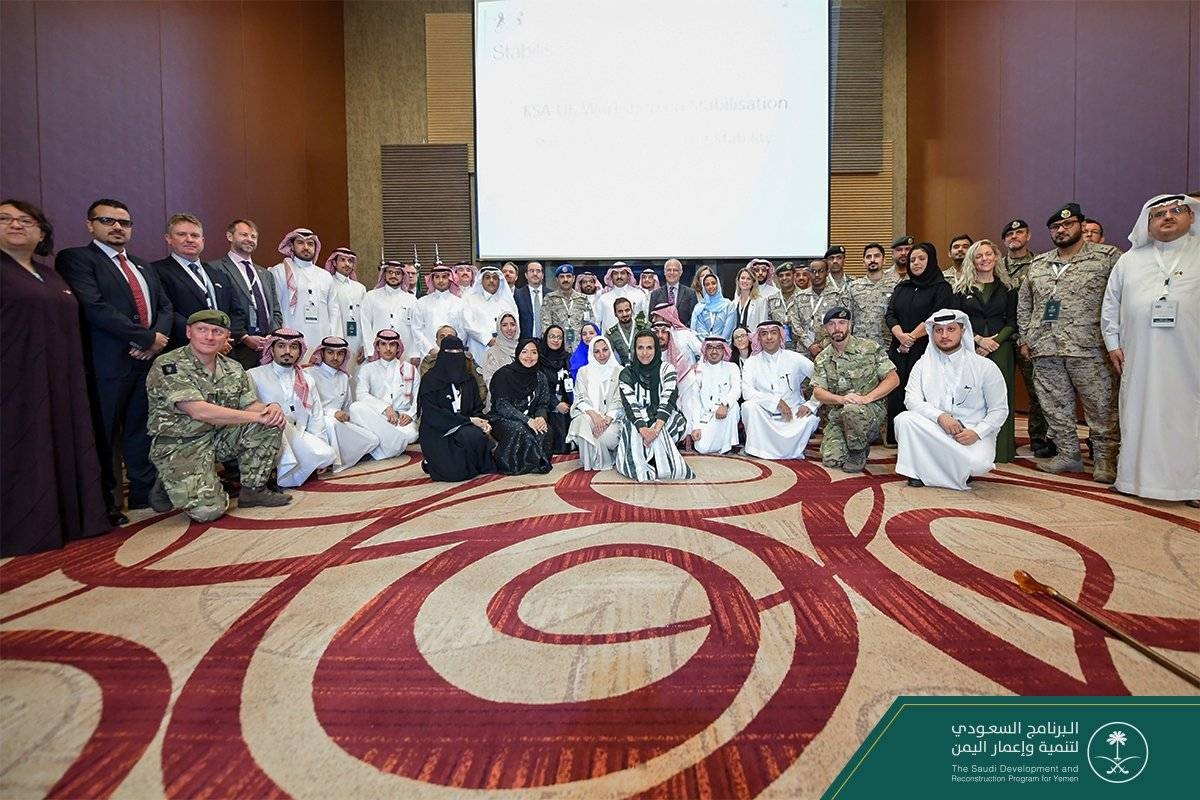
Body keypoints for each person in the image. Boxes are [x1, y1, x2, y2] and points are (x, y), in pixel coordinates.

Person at [1, 199, 110, 554]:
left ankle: (71, 520)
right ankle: (24, 528)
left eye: (25, 220)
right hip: (13, 380)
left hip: (61, 377)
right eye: (5, 219)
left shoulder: (49, 275)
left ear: (41, 231)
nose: (16, 225)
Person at [56, 198, 173, 525]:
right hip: (107, 363)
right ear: (90, 225)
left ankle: (142, 494)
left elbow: (164, 306)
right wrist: (143, 337)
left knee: (141, 429)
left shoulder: (142, 265)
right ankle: (106, 504)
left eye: (124, 222)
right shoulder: (77, 259)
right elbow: (93, 307)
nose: (117, 227)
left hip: (146, 361)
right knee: (104, 434)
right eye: (107, 221)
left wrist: (156, 340)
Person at [145, 309, 290, 521]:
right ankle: (169, 477)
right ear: (188, 332)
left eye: (217, 331)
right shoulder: (169, 365)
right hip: (180, 445)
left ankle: (253, 491)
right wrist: (257, 417)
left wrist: (269, 408)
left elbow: (248, 404)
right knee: (209, 511)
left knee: (270, 423)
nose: (210, 336)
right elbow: (198, 410)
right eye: (202, 330)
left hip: (216, 438)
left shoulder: (232, 367)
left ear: (226, 337)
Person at [1102, 194, 1200, 506]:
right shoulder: (1129, 260)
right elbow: (1111, 305)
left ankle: (1191, 485)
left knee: (1188, 415)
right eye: (1158, 214)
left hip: (1190, 356)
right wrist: (1112, 343)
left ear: (1192, 218)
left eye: (1176, 211)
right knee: (1137, 411)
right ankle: (1132, 478)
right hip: (1139, 355)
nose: (1167, 217)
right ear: (1148, 223)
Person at [1017, 203, 1121, 480]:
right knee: (1055, 405)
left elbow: (1118, 300)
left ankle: (1105, 461)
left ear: (1082, 226)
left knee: (1101, 406)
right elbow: (1025, 303)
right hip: (1046, 347)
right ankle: (1067, 455)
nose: (1061, 230)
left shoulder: (1107, 258)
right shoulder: (1039, 263)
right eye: (1055, 227)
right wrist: (1025, 338)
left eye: (1068, 224)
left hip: (1090, 347)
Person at [895, 309, 1009, 489]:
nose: (944, 335)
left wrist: (977, 432)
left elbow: (999, 410)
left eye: (951, 329)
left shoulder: (985, 366)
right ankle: (919, 472)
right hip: (936, 428)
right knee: (905, 420)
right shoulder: (922, 364)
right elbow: (911, 400)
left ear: (963, 331)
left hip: (970, 432)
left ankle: (945, 465)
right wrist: (940, 416)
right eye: (938, 330)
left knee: (979, 464)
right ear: (932, 333)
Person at [951, 240, 1018, 462]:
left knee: (1000, 398)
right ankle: (972, 445)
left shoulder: (1007, 288)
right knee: (973, 397)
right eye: (979, 256)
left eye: (988, 254)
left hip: (1001, 349)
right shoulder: (962, 289)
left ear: (996, 257)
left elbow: (1012, 321)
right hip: (970, 348)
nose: (984, 259)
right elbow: (957, 322)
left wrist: (994, 342)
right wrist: (979, 340)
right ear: (972, 260)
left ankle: (1002, 451)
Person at [811, 307, 900, 472]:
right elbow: (818, 392)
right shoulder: (823, 358)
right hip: (839, 414)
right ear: (825, 329)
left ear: (850, 325)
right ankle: (853, 440)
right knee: (832, 460)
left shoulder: (870, 348)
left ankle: (858, 451)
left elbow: (893, 379)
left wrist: (867, 398)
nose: (837, 328)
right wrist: (841, 399)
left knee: (852, 410)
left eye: (842, 323)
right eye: (831, 324)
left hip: (869, 410)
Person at [247, 328, 337, 487]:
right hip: (270, 436)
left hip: (299, 432)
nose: (287, 351)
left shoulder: (307, 379)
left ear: (300, 351)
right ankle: (282, 471)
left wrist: (320, 441)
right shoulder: (254, 375)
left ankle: (289, 469)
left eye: (294, 347)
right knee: (279, 423)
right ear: (272, 349)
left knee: (328, 454)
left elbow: (316, 415)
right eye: (281, 346)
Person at [884, 242, 953, 445]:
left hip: (925, 349)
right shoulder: (902, 287)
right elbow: (890, 314)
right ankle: (896, 437)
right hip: (899, 348)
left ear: (931, 260)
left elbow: (937, 316)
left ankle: (920, 438)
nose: (916, 263)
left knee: (921, 393)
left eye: (921, 258)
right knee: (897, 390)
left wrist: (912, 337)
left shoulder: (942, 288)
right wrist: (901, 336)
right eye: (913, 259)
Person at [152, 213, 243, 352]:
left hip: (225, 351)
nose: (189, 240)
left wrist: (225, 337)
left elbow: (237, 311)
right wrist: (205, 338)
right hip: (183, 352)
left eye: (194, 235)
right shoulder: (157, 271)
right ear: (168, 239)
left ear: (203, 240)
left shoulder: (218, 274)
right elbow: (167, 311)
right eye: (182, 234)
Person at [1000, 217, 1052, 457]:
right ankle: (1001, 437)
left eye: (1019, 233)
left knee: (1037, 390)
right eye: (1010, 235)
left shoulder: (1040, 265)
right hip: (1001, 338)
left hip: (1028, 338)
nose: (1014, 237)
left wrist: (1027, 338)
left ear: (1028, 236)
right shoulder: (997, 265)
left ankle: (1039, 438)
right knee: (999, 390)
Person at [615, 331, 695, 481]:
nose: (645, 353)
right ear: (634, 349)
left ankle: (650, 457)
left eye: (649, 348)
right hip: (638, 419)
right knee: (632, 428)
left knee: (662, 430)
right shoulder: (626, 373)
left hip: (665, 418)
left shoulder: (667, 369)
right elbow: (630, 405)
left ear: (656, 349)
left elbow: (668, 400)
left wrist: (655, 430)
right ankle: (653, 460)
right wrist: (643, 429)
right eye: (640, 348)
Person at [418, 335, 496, 481]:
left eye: (458, 353)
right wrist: (468, 420)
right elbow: (432, 415)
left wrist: (483, 422)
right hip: (438, 431)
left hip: (464, 429)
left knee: (475, 436)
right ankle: (432, 462)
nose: (454, 359)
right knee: (455, 474)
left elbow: (477, 409)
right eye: (450, 353)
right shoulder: (430, 381)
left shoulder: (468, 380)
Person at [208, 219, 282, 370]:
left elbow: (275, 310)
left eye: (253, 237)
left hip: (267, 350)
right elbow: (219, 310)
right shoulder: (215, 268)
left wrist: (271, 337)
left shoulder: (265, 274)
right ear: (230, 236)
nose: (249, 239)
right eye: (244, 235)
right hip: (236, 349)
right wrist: (244, 337)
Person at [740, 321, 819, 459]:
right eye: (764, 334)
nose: (769, 337)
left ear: (781, 336)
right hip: (765, 416)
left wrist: (811, 404)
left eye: (773, 333)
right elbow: (747, 392)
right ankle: (757, 450)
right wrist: (775, 401)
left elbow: (821, 378)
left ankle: (789, 449)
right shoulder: (751, 362)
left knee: (809, 419)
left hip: (792, 414)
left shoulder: (795, 358)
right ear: (759, 338)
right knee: (748, 407)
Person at [305, 336, 379, 472]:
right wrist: (333, 413)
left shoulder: (344, 377)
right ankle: (335, 463)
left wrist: (346, 417)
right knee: (330, 422)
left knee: (373, 440)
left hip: (340, 422)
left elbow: (348, 406)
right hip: (318, 423)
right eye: (330, 352)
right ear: (322, 353)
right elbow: (309, 408)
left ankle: (343, 456)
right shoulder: (309, 374)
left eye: (340, 353)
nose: (335, 357)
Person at [349, 329, 421, 460]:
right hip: (377, 417)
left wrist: (410, 415)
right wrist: (385, 408)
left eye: (392, 345)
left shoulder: (410, 369)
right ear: (377, 346)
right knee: (355, 407)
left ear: (398, 347)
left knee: (410, 435)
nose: (388, 349)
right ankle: (393, 445)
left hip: (401, 420)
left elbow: (419, 397)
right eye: (383, 344)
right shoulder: (367, 369)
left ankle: (381, 445)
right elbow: (361, 395)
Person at [489, 338, 554, 475]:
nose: (529, 357)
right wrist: (527, 420)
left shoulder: (540, 377)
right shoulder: (503, 375)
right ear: (518, 353)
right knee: (519, 429)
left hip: (529, 418)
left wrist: (541, 418)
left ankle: (535, 463)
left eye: (534, 352)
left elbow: (543, 403)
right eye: (524, 352)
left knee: (545, 429)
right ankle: (518, 465)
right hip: (501, 419)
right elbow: (502, 406)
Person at [270, 228, 340, 350]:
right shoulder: (280, 271)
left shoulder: (325, 276)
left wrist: (334, 341)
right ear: (291, 246)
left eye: (310, 243)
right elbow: (276, 308)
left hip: (322, 340)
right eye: (300, 243)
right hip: (290, 340)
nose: (306, 247)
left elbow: (334, 312)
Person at [567, 335, 625, 469]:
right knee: (581, 422)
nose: (601, 355)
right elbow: (579, 397)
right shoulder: (584, 372)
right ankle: (589, 463)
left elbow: (621, 399)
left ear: (610, 350)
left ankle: (603, 459)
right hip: (590, 416)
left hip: (613, 419)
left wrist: (606, 420)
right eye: (597, 351)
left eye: (605, 350)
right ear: (591, 353)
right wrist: (595, 416)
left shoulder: (620, 371)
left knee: (605, 439)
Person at [687, 336, 742, 455]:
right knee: (702, 447)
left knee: (735, 407)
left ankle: (727, 446)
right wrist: (695, 426)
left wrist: (725, 404)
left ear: (724, 350)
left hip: (726, 412)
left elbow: (736, 390)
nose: (714, 351)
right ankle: (719, 444)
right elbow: (694, 400)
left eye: (718, 348)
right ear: (705, 350)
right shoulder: (698, 370)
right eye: (710, 347)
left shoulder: (732, 367)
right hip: (706, 414)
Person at [789, 258, 853, 359]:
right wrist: (810, 345)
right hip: (804, 351)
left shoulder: (838, 296)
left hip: (831, 349)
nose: (817, 275)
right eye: (813, 271)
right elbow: (795, 324)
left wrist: (824, 345)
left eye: (821, 271)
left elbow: (844, 323)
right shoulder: (799, 297)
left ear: (827, 272)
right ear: (809, 273)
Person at [361, 260, 421, 365]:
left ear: (403, 276)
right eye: (390, 272)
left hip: (405, 352)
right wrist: (370, 351)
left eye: (397, 273)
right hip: (378, 350)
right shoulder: (371, 296)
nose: (393, 276)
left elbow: (415, 328)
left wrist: (415, 353)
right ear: (384, 275)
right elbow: (365, 325)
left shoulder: (411, 299)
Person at [418, 324, 488, 404]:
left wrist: (472, 404)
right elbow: (427, 389)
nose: (446, 339)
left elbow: (480, 384)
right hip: (438, 407)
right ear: (437, 342)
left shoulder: (467, 359)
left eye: (450, 336)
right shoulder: (429, 361)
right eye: (442, 337)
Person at [463, 264, 518, 364]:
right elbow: (468, 324)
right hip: (480, 347)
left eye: (495, 278)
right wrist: (488, 340)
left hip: (505, 347)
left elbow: (515, 324)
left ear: (499, 281)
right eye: (487, 277)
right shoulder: (470, 299)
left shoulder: (507, 301)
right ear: (481, 280)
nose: (491, 281)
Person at [324, 247, 367, 374]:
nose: (347, 264)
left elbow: (365, 319)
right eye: (342, 260)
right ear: (334, 262)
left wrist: (365, 345)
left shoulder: (360, 288)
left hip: (357, 343)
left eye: (350, 261)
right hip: (335, 343)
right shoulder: (327, 283)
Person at [846, 242, 898, 350]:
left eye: (877, 256)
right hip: (860, 348)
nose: (872, 260)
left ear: (884, 260)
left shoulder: (896, 286)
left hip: (887, 347)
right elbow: (848, 320)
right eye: (868, 257)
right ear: (863, 262)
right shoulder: (853, 287)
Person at [415, 263, 467, 355]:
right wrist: (430, 349)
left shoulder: (460, 303)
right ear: (432, 279)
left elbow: (462, 330)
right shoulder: (421, 302)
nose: (441, 280)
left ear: (450, 279)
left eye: (444, 277)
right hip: (428, 354)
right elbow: (417, 329)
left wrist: (454, 348)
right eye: (437, 277)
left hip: (453, 353)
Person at [538, 324, 574, 454]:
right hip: (546, 402)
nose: (556, 340)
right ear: (546, 338)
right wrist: (556, 404)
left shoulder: (567, 358)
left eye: (559, 337)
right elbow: (541, 388)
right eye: (552, 337)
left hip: (566, 401)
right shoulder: (539, 360)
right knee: (561, 447)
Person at [542, 263, 593, 350]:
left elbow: (590, 322)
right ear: (557, 279)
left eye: (568, 276)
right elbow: (545, 326)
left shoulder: (583, 299)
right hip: (558, 347)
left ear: (573, 278)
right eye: (562, 277)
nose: (565, 279)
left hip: (579, 347)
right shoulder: (550, 298)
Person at [596, 262, 649, 332]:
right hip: (610, 340)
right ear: (611, 276)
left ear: (628, 275)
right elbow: (597, 322)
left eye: (622, 273)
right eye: (615, 274)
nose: (619, 277)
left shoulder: (640, 295)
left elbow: (645, 319)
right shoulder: (603, 298)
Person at [690, 267, 737, 342]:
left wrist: (718, 345)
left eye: (713, 283)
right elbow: (699, 330)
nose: (710, 287)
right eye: (707, 284)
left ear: (718, 285)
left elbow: (728, 329)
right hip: (704, 348)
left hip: (724, 347)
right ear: (704, 287)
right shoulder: (699, 308)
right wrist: (708, 345)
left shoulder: (729, 305)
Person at [649, 258, 698, 325]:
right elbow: (651, 317)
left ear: (681, 273)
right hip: (662, 332)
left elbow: (694, 316)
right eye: (669, 270)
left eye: (675, 270)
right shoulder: (655, 294)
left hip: (684, 333)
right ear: (664, 272)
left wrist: (683, 329)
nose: (672, 273)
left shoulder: (690, 293)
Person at [482, 311, 520, 390]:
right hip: (501, 398)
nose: (509, 328)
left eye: (512, 324)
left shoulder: (523, 349)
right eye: (504, 325)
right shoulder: (492, 353)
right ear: (499, 327)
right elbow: (491, 383)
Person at [605, 296, 642, 365]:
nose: (624, 314)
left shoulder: (644, 326)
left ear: (632, 310)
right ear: (615, 314)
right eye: (620, 311)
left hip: (645, 367)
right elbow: (607, 356)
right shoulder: (611, 333)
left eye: (627, 310)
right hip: (624, 369)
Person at [513, 261, 545, 339]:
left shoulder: (550, 295)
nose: (535, 274)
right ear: (526, 275)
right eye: (531, 271)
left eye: (538, 271)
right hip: (525, 342)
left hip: (546, 343)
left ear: (542, 275)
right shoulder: (517, 295)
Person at [733, 265, 769, 330]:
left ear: (753, 282)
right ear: (738, 281)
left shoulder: (761, 301)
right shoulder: (734, 303)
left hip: (754, 339)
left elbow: (763, 326)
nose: (745, 281)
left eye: (748, 279)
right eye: (742, 278)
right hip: (737, 339)